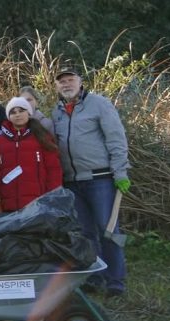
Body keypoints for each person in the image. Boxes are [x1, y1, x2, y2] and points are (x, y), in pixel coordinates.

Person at [52, 67, 131, 298]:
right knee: (86, 234)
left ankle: (115, 281)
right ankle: (95, 277)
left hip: (100, 179)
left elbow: (116, 138)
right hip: (72, 182)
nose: (66, 84)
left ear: (80, 82)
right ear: (57, 86)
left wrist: (121, 172)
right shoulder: (56, 112)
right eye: (62, 81)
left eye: (70, 79)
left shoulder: (99, 104)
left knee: (109, 230)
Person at [0, 97, 61, 212]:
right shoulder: (0, 141)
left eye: (21, 111)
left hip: (37, 204)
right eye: (13, 112)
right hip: (7, 205)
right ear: (9, 116)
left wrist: (52, 196)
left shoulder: (42, 136)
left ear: (28, 113)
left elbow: (53, 169)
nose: (18, 115)